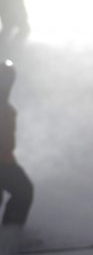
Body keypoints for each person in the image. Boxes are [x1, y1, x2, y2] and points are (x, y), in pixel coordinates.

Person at [0, 60, 34, 238]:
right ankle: (8, 238)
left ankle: (8, 237)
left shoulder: (8, 108)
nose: (7, 84)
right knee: (23, 191)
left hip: (6, 161)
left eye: (10, 79)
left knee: (24, 191)